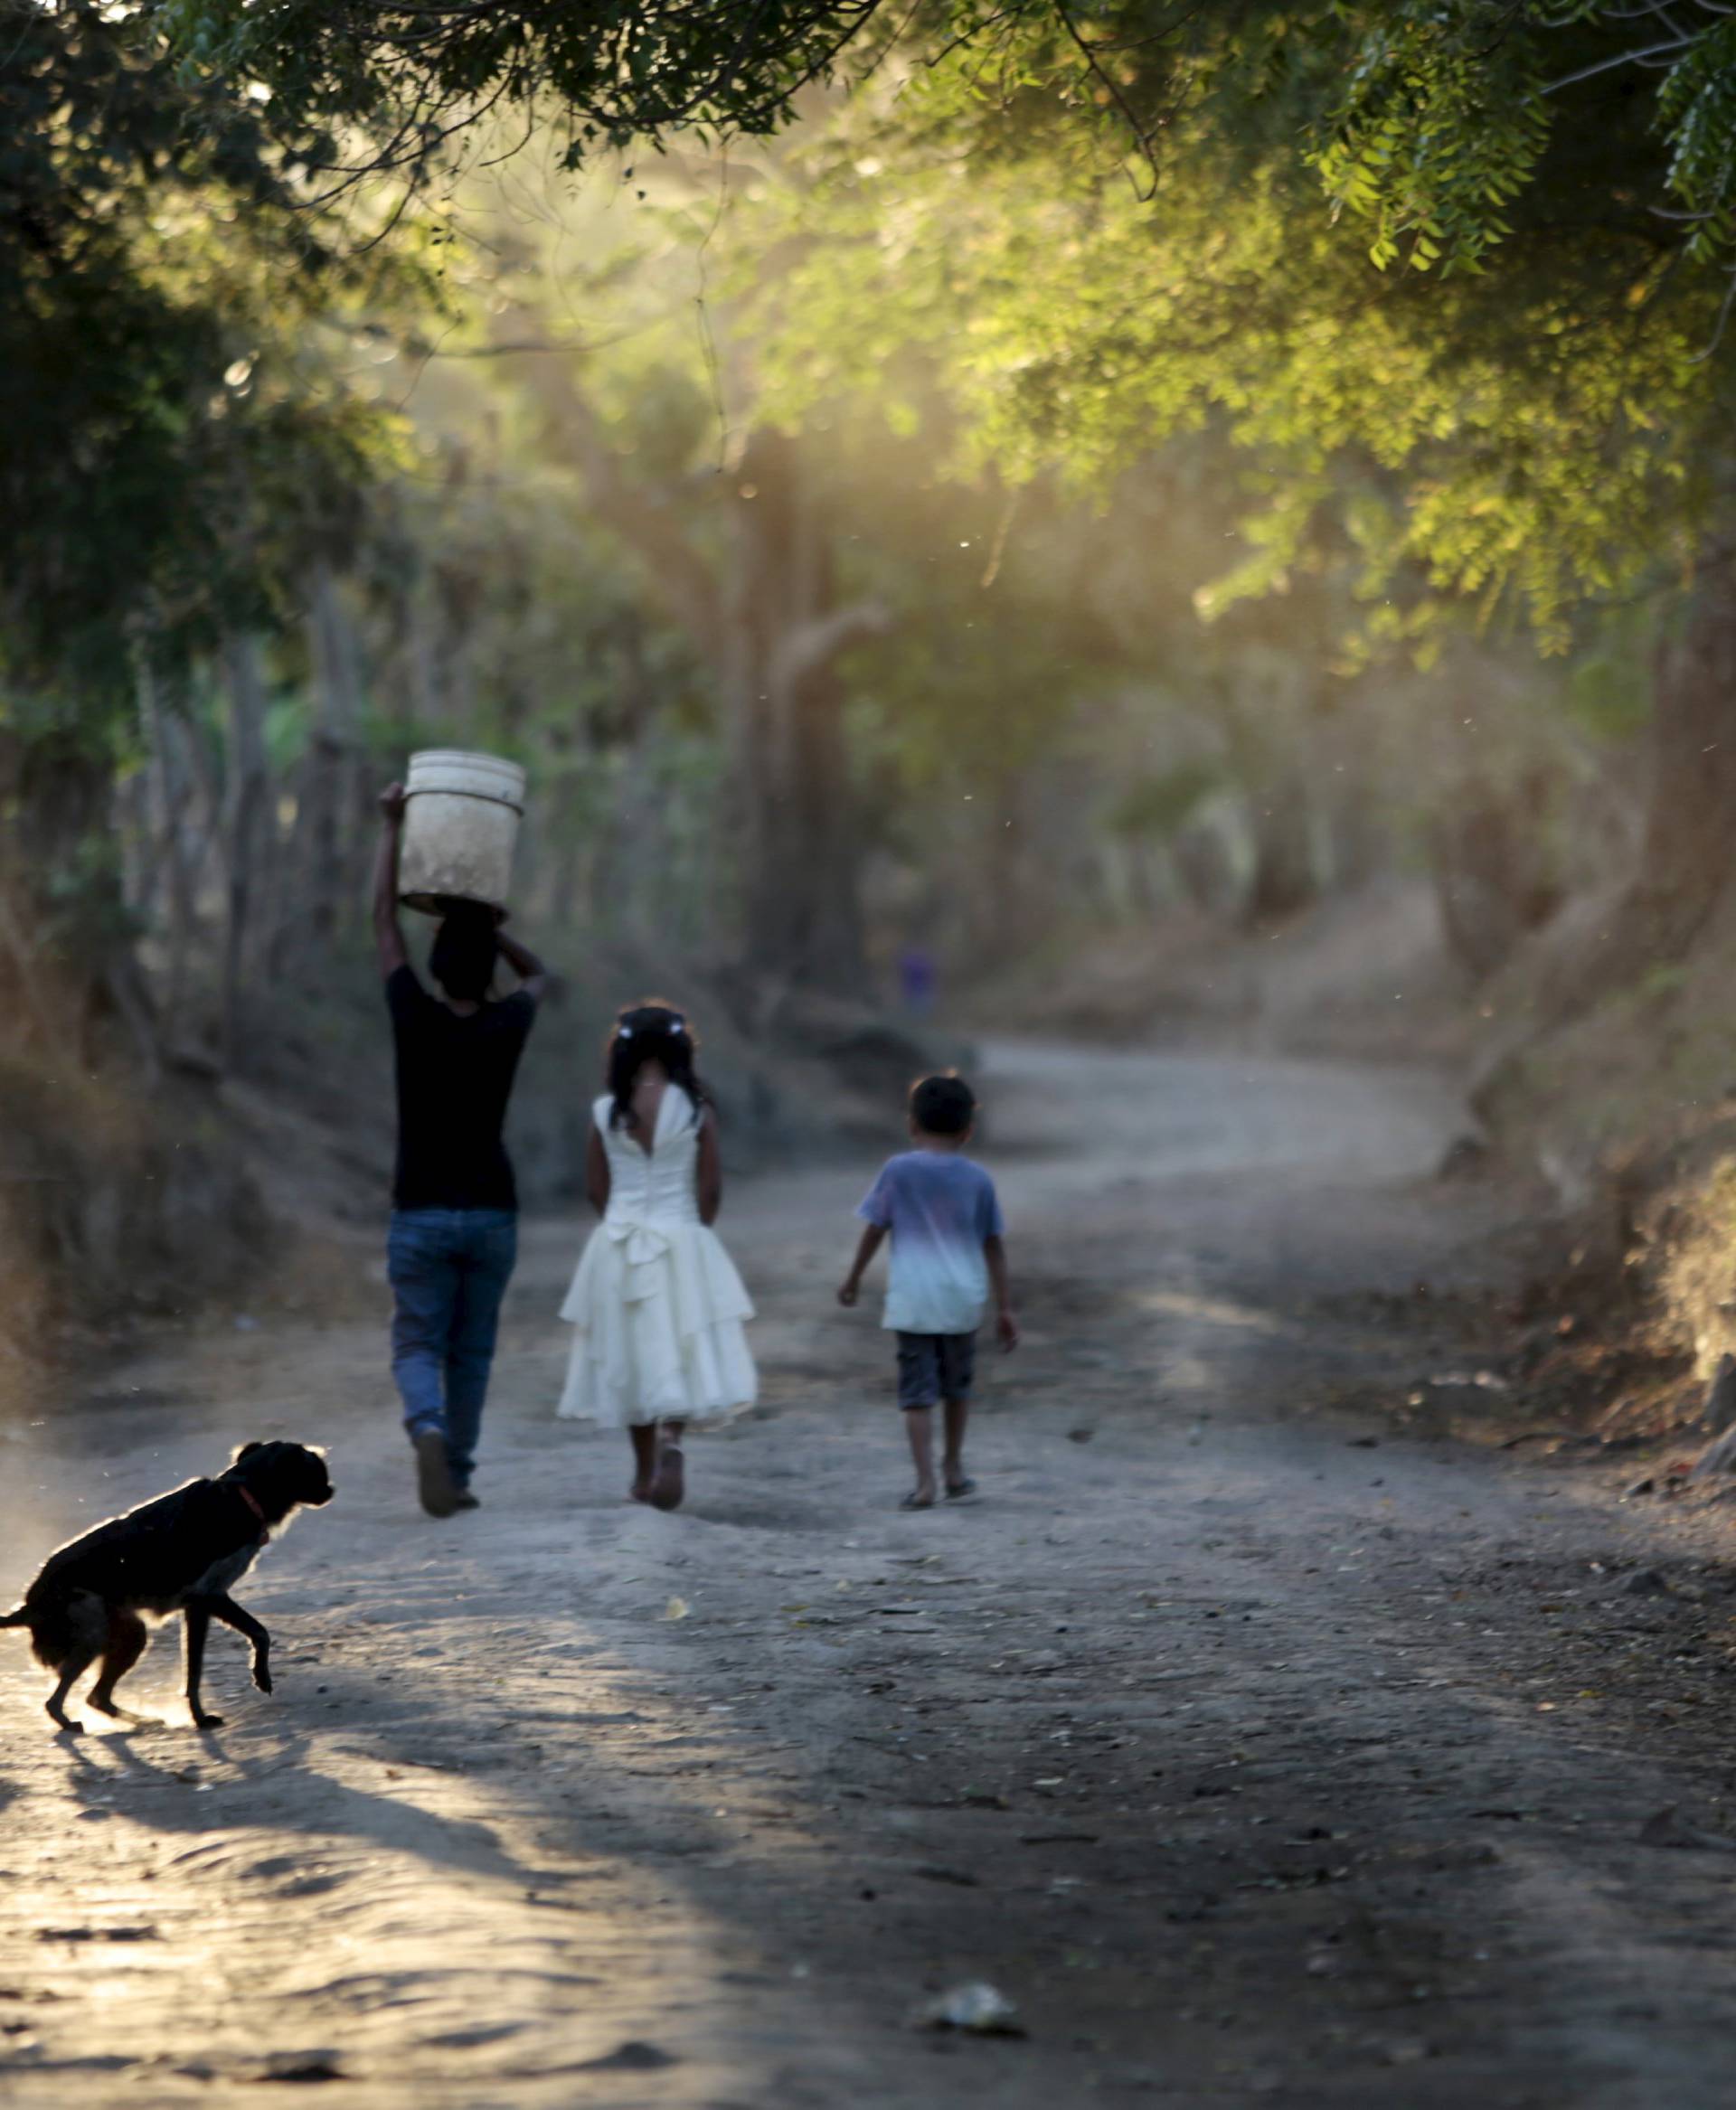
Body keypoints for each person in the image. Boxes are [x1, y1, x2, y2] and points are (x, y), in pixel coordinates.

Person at [373, 783, 546, 1518]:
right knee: (470, 1352)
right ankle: (460, 1474)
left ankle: (429, 1430)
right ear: (488, 970)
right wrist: (492, 923)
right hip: (490, 1214)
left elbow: (382, 920)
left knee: (418, 1341)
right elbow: (540, 974)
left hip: (420, 1210)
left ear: (437, 968)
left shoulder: (413, 1014)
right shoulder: (507, 1024)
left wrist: (391, 828)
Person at [556, 1002, 756, 1510]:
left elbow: (594, 1188)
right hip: (682, 1235)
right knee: (678, 1348)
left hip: (620, 1241)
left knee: (632, 1354)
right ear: (679, 1049)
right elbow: (709, 1189)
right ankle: (672, 1439)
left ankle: (643, 1474)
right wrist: (696, 1230)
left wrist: (618, 1223)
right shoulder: (695, 1109)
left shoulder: (605, 1112)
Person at [837, 1071, 1018, 1510]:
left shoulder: (898, 1170)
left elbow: (875, 1229)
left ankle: (924, 1484)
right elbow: (993, 1245)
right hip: (962, 1300)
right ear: (968, 1130)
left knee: (916, 1395)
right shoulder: (978, 1180)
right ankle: (953, 1468)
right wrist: (1005, 1308)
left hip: (914, 1301)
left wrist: (854, 1277)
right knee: (957, 1388)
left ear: (912, 1125)